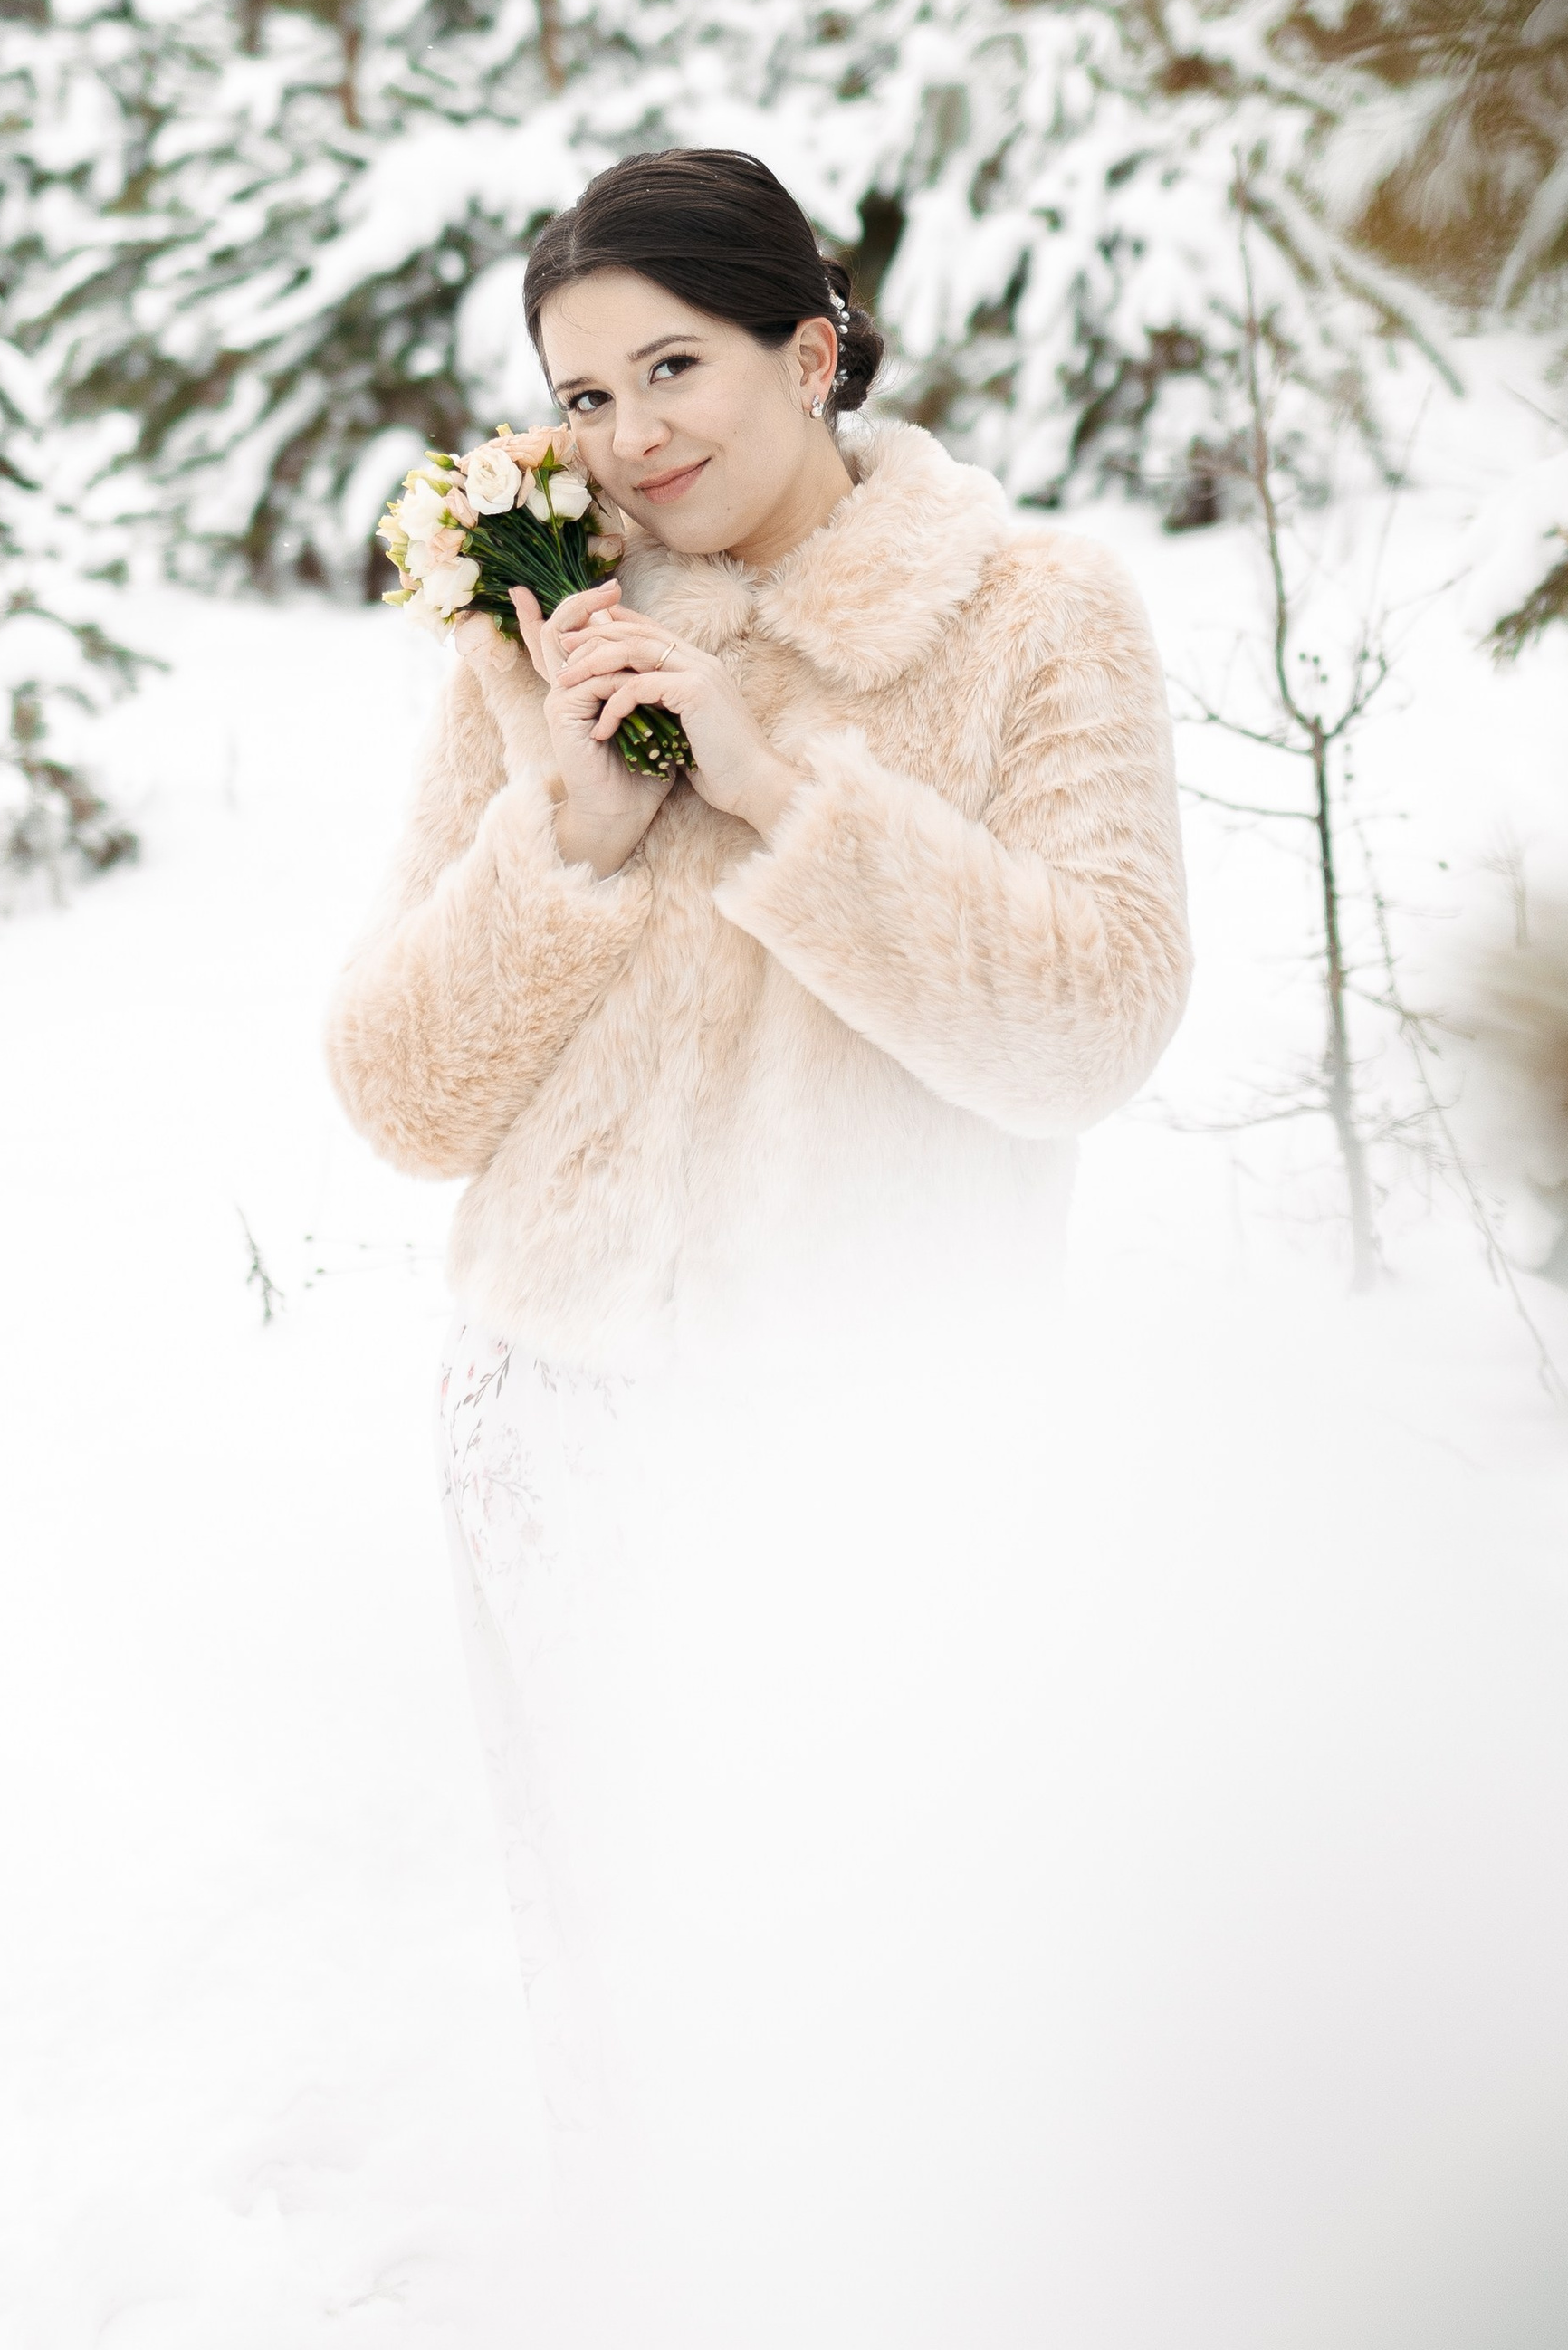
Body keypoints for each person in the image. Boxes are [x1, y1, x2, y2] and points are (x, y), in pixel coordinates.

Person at [325, 146, 1190, 2154]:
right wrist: (565, 836)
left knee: (889, 2017)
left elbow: (1094, 1024)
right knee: (627, 2003)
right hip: (553, 1423)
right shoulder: (544, 637)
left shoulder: (1032, 615)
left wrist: (773, 787)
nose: (629, 436)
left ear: (810, 354)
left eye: (674, 367)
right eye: (582, 394)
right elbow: (400, 1097)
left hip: (868, 1437)